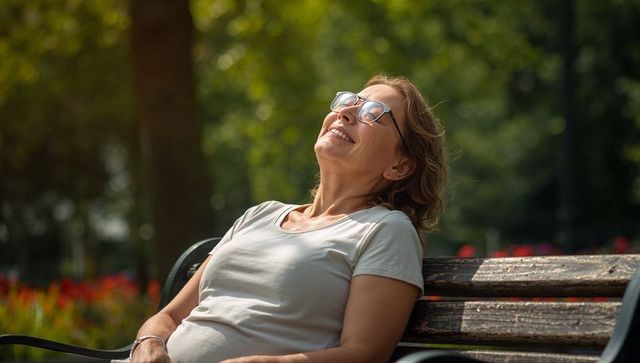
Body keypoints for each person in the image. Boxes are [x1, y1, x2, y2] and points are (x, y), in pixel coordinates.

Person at [126, 74, 447, 363]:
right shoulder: (260, 215)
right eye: (350, 101)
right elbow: (169, 316)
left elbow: (365, 354)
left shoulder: (386, 231)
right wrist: (148, 343)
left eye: (372, 113)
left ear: (400, 166)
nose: (346, 112)